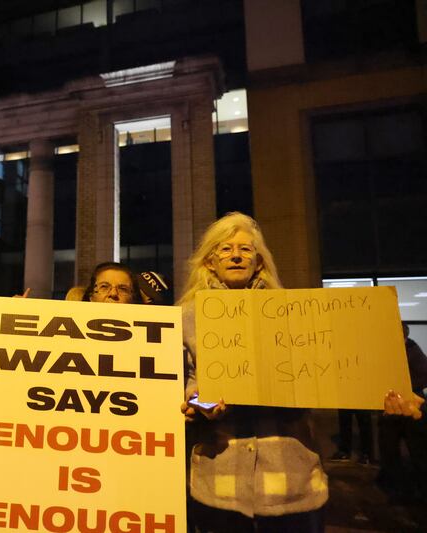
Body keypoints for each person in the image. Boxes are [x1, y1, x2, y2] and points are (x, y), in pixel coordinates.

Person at [177, 212, 423, 532]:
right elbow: (186, 379)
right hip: (220, 485)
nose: (236, 255)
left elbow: (345, 364)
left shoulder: (296, 314)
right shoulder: (185, 318)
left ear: (260, 262)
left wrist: (392, 392)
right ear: (209, 262)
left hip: (291, 484)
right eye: (224, 249)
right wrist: (199, 402)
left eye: (245, 249)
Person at [377, 323, 427, 500]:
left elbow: (424, 374)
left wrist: (405, 390)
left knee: (417, 450)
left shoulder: (412, 350)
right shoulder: (387, 352)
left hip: (412, 407)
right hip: (390, 409)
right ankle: (396, 487)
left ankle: (420, 489)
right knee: (388, 449)